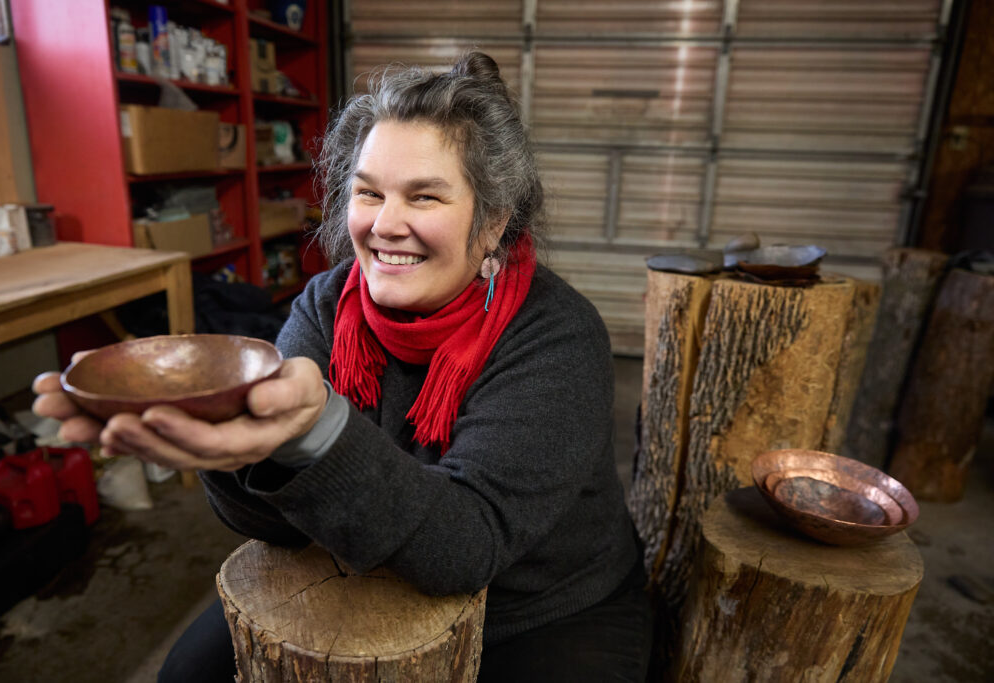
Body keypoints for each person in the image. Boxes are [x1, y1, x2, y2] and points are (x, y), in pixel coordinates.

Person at [32, 51, 654, 681]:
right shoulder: (329, 304)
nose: (385, 225)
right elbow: (276, 523)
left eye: (426, 196)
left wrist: (315, 432)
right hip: (361, 569)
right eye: (368, 192)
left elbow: (469, 545)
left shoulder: (556, 335)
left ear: (492, 222)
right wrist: (231, 446)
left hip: (537, 608)